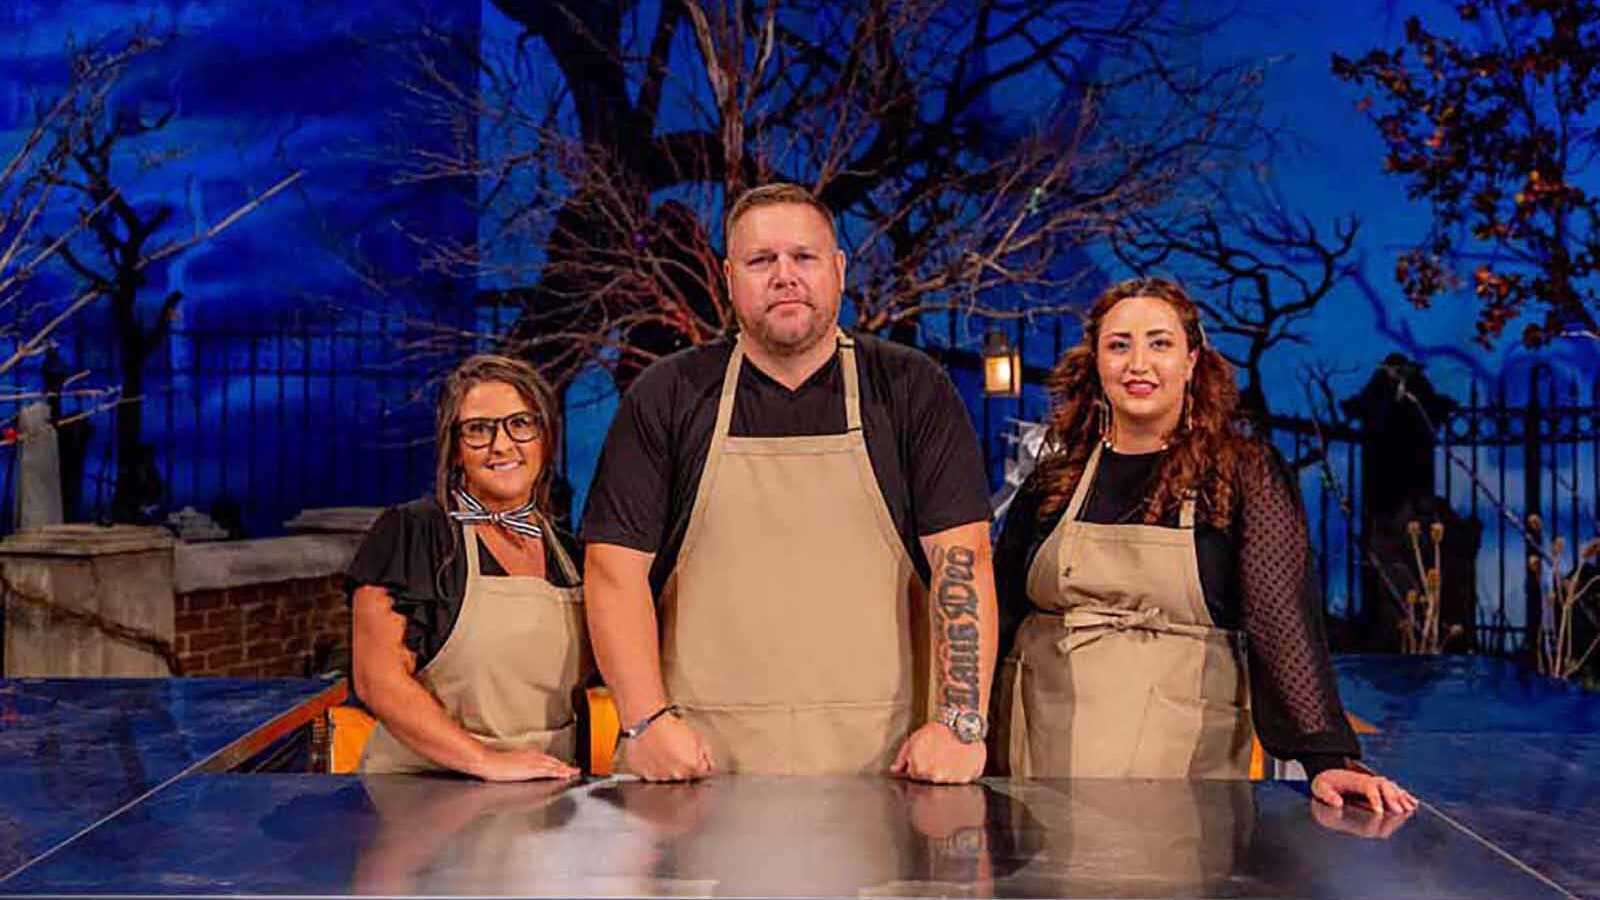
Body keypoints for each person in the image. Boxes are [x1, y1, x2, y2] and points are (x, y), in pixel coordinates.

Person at [581, 182, 997, 782]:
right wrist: (645, 723)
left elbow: (962, 560)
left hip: (884, 775)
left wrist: (959, 723)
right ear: (729, 278)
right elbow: (613, 572)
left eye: (803, 256)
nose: (784, 276)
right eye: (760, 260)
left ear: (838, 270)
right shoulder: (668, 395)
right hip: (697, 775)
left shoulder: (910, 389)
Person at [991, 277, 1416, 814]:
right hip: (1034, 753)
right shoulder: (1055, 478)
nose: (1138, 364)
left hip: (1177, 771)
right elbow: (1000, 609)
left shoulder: (1241, 473)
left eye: (1159, 343)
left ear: (1192, 360)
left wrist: (1327, 758)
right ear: (1095, 363)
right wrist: (960, 726)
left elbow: (1280, 616)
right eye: (1119, 345)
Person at [349, 354, 591, 778]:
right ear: (456, 450)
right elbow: (377, 680)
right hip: (426, 789)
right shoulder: (413, 533)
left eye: (521, 424)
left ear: (546, 438)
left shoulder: (571, 555)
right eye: (479, 430)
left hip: (546, 783)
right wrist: (486, 761)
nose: (502, 445)